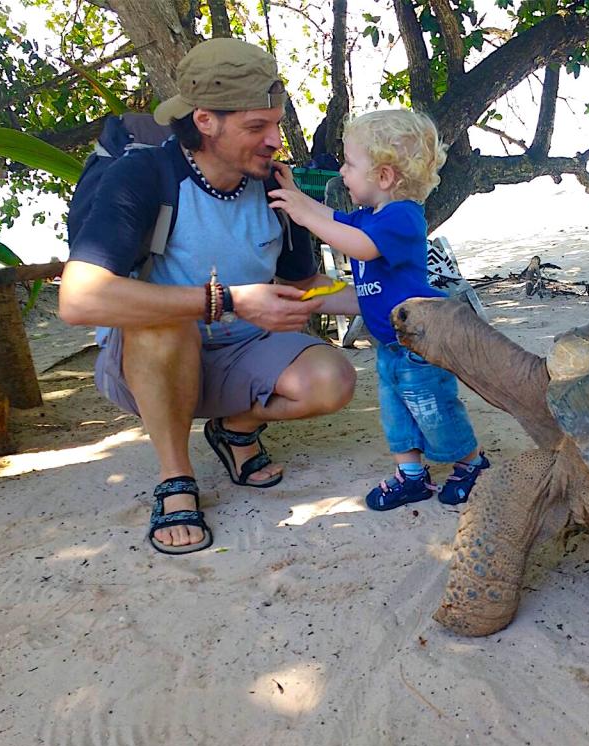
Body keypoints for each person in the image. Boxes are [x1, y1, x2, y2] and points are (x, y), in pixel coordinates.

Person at [59, 38, 360, 555]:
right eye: (255, 127)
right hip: (151, 359)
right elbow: (78, 299)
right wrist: (228, 301)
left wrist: (394, 299)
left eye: (276, 123)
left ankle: (235, 430)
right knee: (165, 325)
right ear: (204, 120)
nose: (274, 140)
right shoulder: (144, 175)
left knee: (331, 380)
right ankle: (176, 477)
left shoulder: (273, 186)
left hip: (239, 351)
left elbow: (304, 287)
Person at [269, 109, 490, 511]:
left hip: (420, 345)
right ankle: (411, 476)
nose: (341, 170)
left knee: (435, 410)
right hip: (389, 347)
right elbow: (334, 219)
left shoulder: (403, 217)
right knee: (396, 415)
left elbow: (359, 247)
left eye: (350, 164)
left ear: (384, 177)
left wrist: (302, 216)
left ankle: (472, 464)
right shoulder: (369, 217)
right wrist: (297, 199)